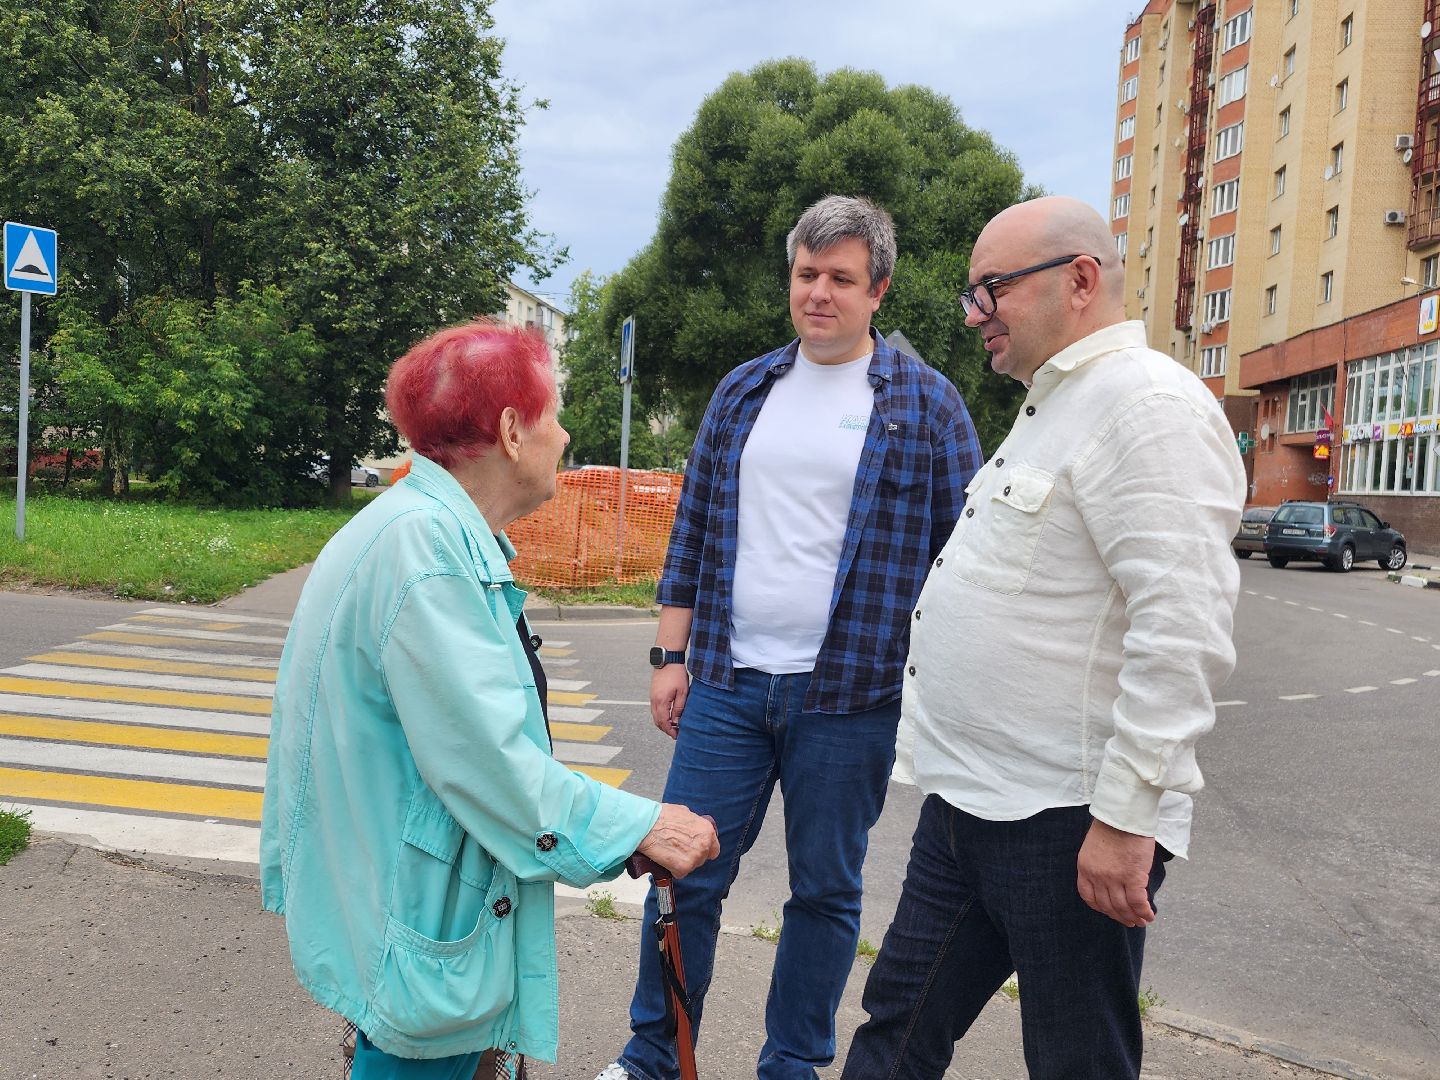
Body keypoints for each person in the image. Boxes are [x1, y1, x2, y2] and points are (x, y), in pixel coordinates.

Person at [841, 196, 1246, 1080]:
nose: (976, 312)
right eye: (972, 293)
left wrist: (1127, 818)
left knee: (1075, 1059)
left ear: (1081, 280)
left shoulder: (1147, 409)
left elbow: (1183, 630)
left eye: (993, 289)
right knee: (896, 1028)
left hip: (1070, 825)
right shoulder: (1051, 407)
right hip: (967, 806)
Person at [260, 321, 719, 1080]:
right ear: (511, 431)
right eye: (555, 413)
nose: (566, 436)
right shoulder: (426, 554)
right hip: (418, 922)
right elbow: (488, 762)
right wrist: (640, 823)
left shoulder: (418, 529)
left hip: (403, 901)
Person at [595, 195, 983, 1080]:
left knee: (825, 892)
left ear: (877, 289)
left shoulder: (926, 404)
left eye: (841, 278)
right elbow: (692, 526)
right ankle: (652, 1056)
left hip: (851, 695)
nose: (819, 293)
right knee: (684, 873)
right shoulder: (745, 389)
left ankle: (792, 1064)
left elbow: (965, 554)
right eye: (806, 275)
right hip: (728, 683)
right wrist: (669, 653)